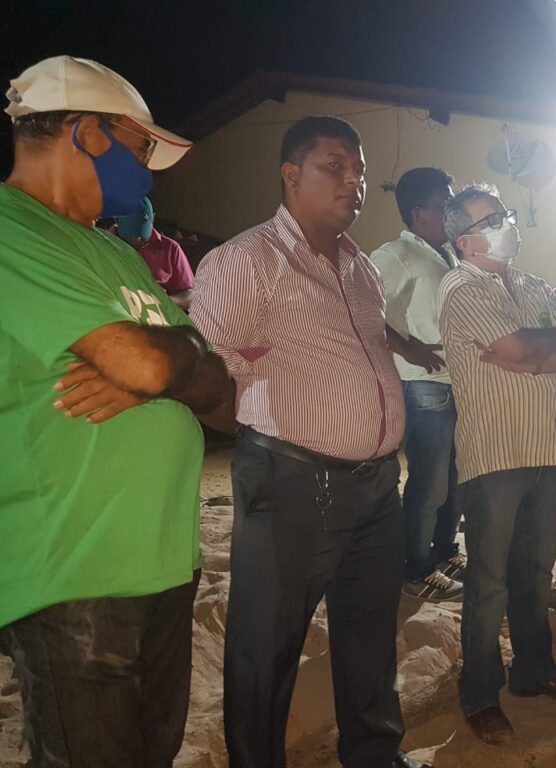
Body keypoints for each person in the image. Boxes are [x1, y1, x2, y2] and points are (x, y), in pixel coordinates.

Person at [0, 55, 232, 765]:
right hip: (75, 577)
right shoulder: (11, 230)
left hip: (164, 563)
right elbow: (151, 364)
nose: (149, 173)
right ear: (88, 133)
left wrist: (175, 362)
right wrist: (174, 362)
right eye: (140, 148)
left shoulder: (120, 257)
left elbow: (224, 398)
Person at [190, 116, 427, 768]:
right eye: (335, 166)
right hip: (292, 483)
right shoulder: (247, 261)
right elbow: (204, 374)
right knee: (265, 647)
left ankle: (375, 756)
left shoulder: (360, 268)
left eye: (361, 171)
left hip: (376, 484)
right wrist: (267, 439)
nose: (354, 182)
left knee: (369, 634)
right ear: (291, 175)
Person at [439, 183, 556, 744]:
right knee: (488, 584)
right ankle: (480, 694)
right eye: (491, 220)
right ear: (463, 241)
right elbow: (521, 345)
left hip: (545, 447)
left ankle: (534, 671)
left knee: (533, 572)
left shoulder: (531, 285)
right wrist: (538, 348)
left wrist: (532, 358)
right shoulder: (460, 287)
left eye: (503, 214)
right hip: (495, 454)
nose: (506, 223)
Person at [371, 167, 464, 602]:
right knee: (429, 482)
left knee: (453, 478)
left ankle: (445, 551)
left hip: (454, 382)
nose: (452, 212)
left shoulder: (447, 254)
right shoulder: (395, 255)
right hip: (423, 386)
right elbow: (365, 311)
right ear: (418, 213)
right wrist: (408, 349)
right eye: (445, 203)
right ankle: (416, 567)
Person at [115, 196, 195, 310]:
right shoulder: (104, 242)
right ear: (117, 221)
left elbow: (190, 295)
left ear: (153, 218)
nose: (137, 240)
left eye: (142, 235)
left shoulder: (170, 248)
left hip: (157, 313)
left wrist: (163, 302)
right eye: (130, 236)